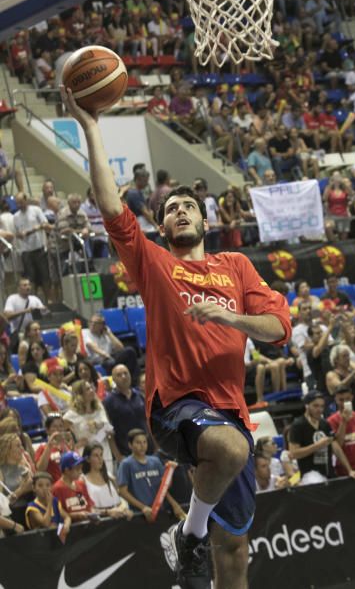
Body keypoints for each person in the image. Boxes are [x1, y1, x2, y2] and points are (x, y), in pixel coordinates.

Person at [62, 75, 292, 589]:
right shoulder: (155, 264)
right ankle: (188, 535)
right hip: (175, 405)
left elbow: (279, 328)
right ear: (163, 229)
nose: (180, 211)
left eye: (188, 206)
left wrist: (230, 317)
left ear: (204, 223)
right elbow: (109, 205)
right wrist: (92, 127)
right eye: (170, 211)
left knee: (233, 548)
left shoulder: (235, 266)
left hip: (229, 411)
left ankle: (195, 544)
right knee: (230, 452)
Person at [288, 390, 355, 484]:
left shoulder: (324, 423)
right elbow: (294, 453)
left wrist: (350, 470)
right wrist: (317, 446)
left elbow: (337, 447)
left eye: (322, 406)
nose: (320, 409)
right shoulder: (298, 425)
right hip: (310, 475)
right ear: (307, 405)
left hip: (328, 473)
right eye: (315, 406)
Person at [63, 380, 117, 469]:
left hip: (105, 452)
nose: (92, 390)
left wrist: (110, 432)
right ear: (79, 394)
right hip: (86, 455)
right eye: (87, 389)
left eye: (91, 387)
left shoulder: (99, 408)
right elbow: (58, 433)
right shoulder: (72, 414)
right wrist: (74, 446)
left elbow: (108, 427)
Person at [103, 364, 150, 460]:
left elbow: (149, 422)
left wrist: (157, 446)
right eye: (119, 375)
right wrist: (117, 455)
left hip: (148, 450)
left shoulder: (140, 396)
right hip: (126, 454)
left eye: (126, 373)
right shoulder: (109, 401)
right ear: (114, 379)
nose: (123, 377)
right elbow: (108, 432)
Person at [13, 193, 51, 301]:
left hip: (39, 248)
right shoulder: (16, 216)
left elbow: (45, 224)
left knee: (45, 276)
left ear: (26, 200)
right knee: (30, 278)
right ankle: (33, 301)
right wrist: (20, 234)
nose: (19, 205)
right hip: (26, 251)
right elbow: (17, 233)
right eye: (17, 203)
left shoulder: (36, 210)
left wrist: (34, 229)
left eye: (21, 202)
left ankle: (49, 300)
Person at [81, 313, 139, 382]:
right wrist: (106, 355)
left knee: (130, 351)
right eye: (91, 322)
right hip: (98, 360)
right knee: (111, 363)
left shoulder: (106, 334)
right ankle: (118, 382)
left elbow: (120, 348)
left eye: (96, 323)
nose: (92, 324)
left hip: (110, 357)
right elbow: (91, 346)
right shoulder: (85, 332)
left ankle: (133, 381)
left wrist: (109, 334)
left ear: (102, 325)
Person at [82, 443, 133, 519]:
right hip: (100, 522)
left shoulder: (109, 476)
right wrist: (108, 512)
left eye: (101, 455)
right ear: (88, 459)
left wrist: (125, 508)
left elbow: (120, 497)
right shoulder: (83, 480)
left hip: (118, 518)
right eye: (96, 455)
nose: (100, 458)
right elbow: (87, 510)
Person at [4, 278, 47, 351]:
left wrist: (45, 310)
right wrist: (24, 311)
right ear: (18, 288)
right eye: (24, 285)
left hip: (34, 334)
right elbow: (6, 316)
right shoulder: (12, 298)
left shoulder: (34, 299)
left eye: (29, 285)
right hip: (20, 334)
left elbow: (46, 315)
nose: (28, 287)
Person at [52, 451, 94, 521]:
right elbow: (56, 514)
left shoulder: (81, 484)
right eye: (77, 469)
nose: (81, 471)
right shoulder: (57, 488)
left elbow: (90, 506)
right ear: (67, 470)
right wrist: (75, 515)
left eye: (81, 468)